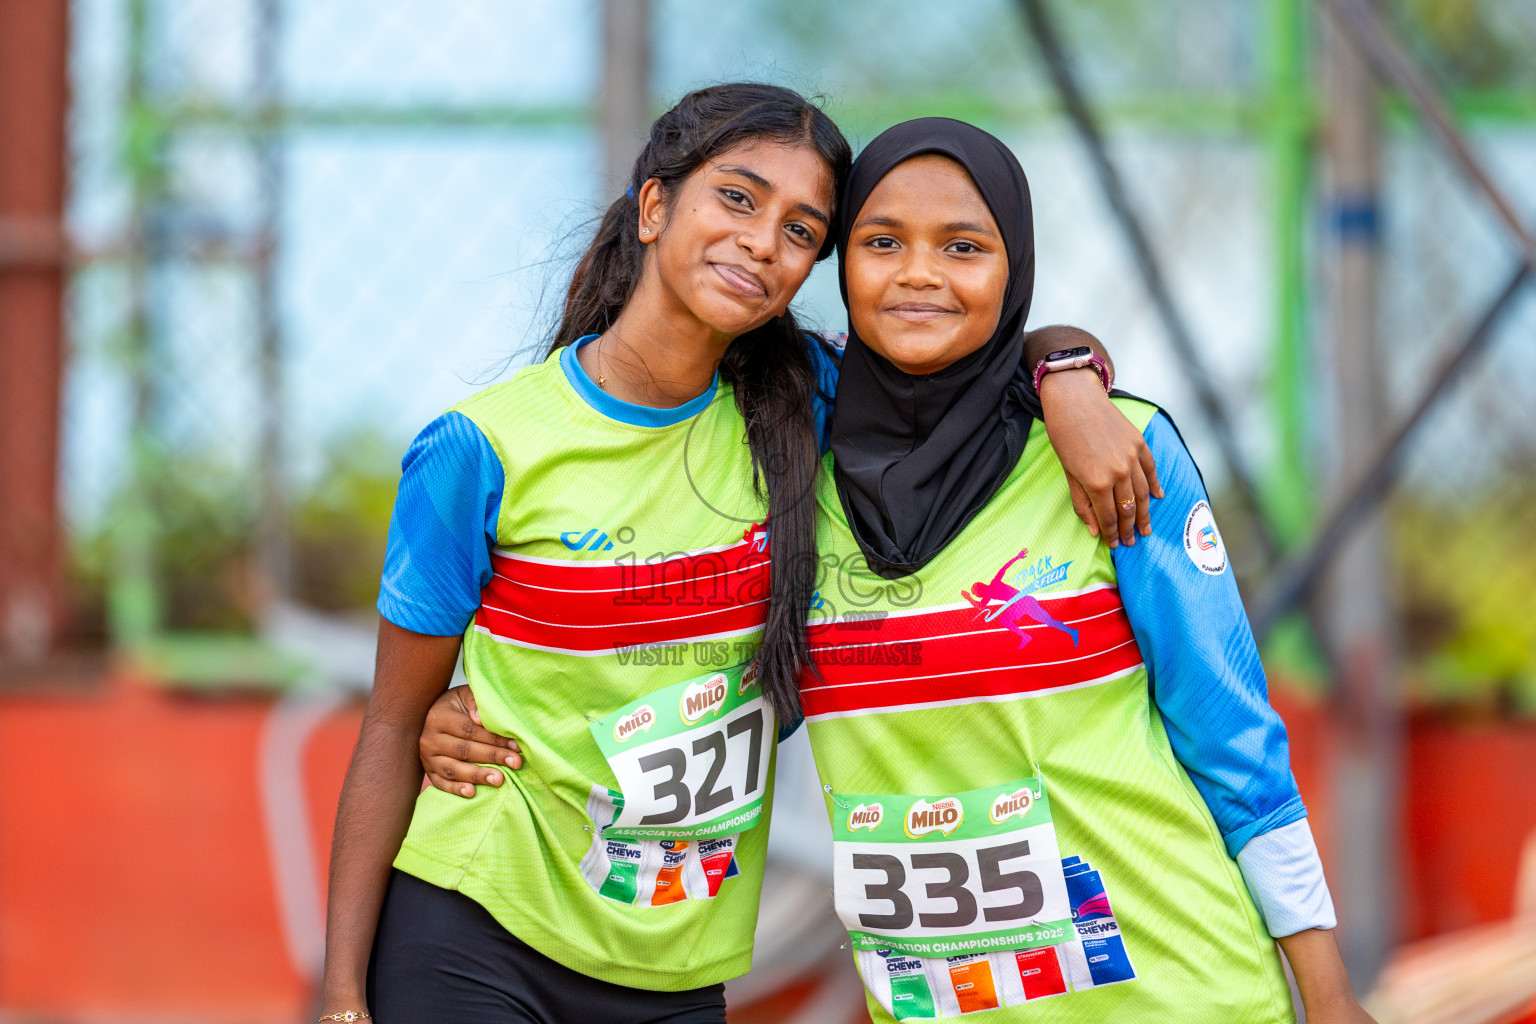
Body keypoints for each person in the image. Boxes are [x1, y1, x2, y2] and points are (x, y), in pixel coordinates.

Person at [424, 118, 1375, 1023]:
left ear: (1017, 270)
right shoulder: (789, 468)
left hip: (1175, 993)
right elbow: (677, 654)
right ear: (841, 268)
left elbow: (1237, 746)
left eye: (965, 247)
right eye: (882, 243)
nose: (919, 274)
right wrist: (471, 710)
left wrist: (1327, 994)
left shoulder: (1117, 459)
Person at [322, 86, 1151, 1024]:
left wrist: (1071, 377)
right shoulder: (481, 448)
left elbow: (980, 352)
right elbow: (393, 725)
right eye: (739, 198)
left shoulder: (817, 406)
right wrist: (344, 994)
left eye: (803, 231)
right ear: (652, 207)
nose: (764, 242)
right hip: (478, 920)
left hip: (678, 964)